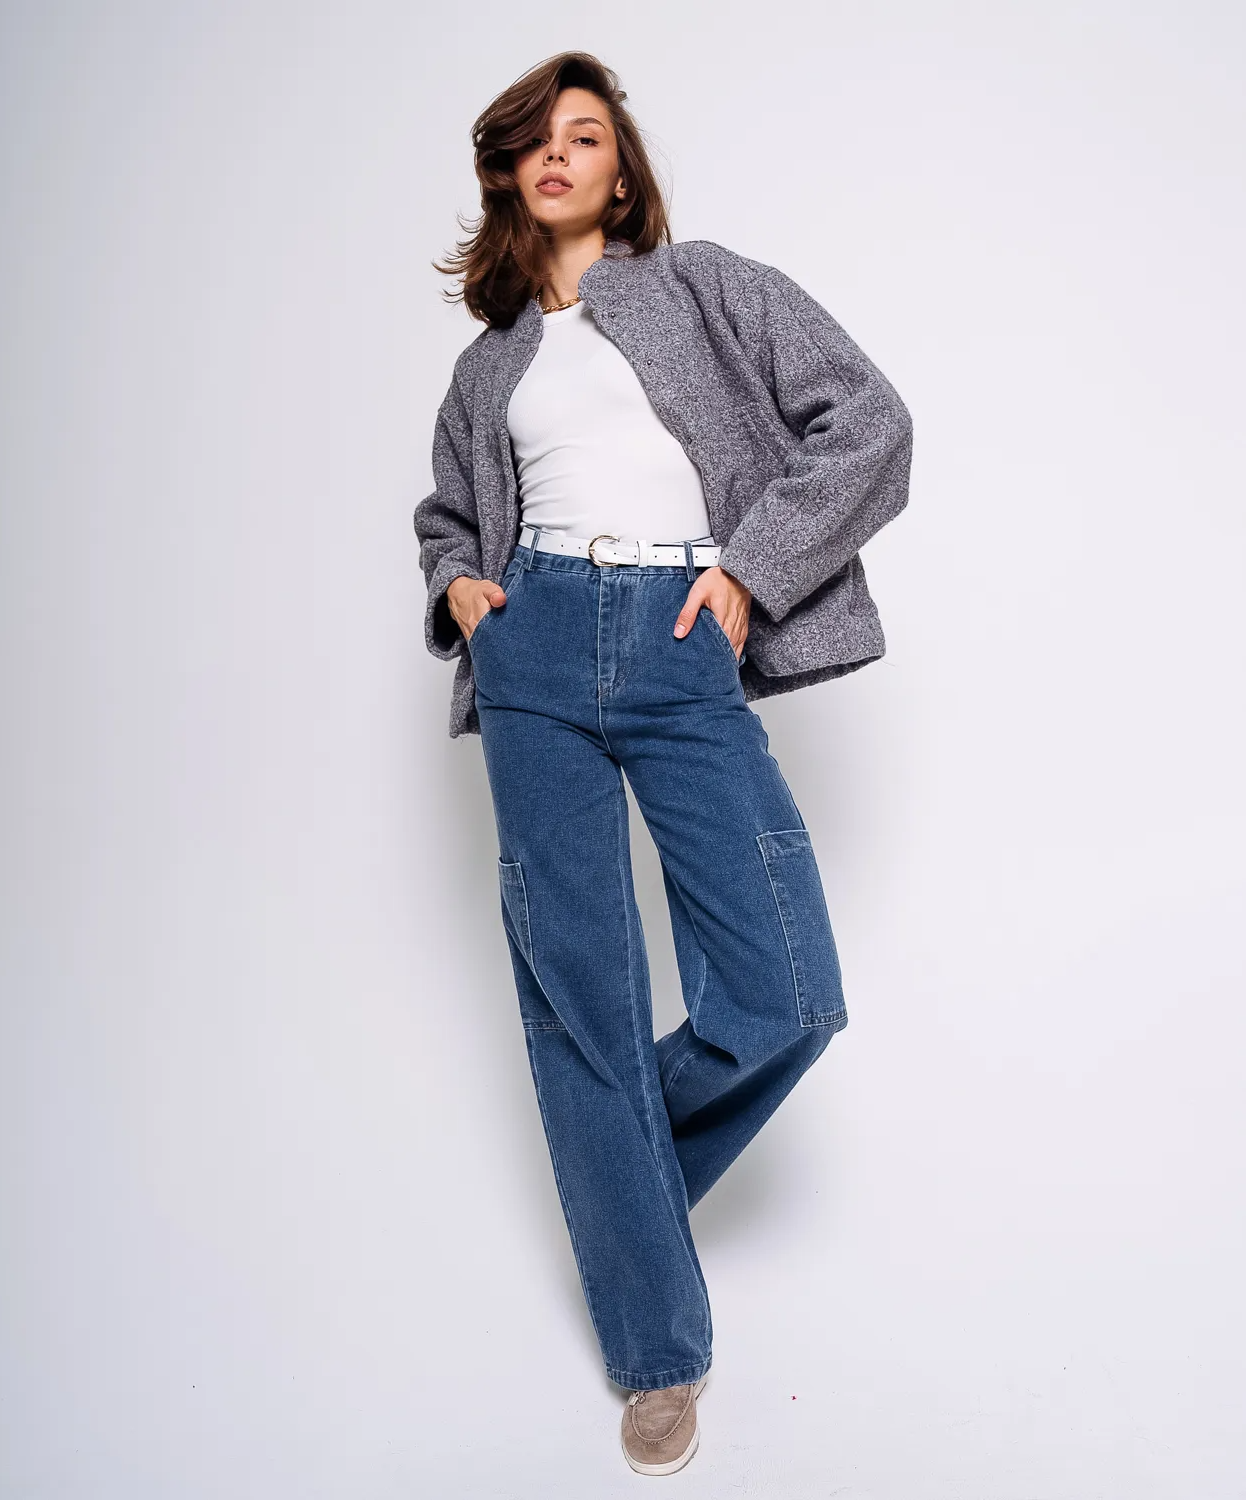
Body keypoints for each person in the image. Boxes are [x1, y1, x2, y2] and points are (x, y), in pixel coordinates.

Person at [412, 50, 913, 1476]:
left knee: (786, 991)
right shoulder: (490, 364)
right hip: (533, 646)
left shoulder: (707, 289)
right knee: (581, 991)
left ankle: (616, 1205)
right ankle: (656, 1354)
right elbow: (449, 515)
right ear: (508, 175)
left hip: (683, 628)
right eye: (534, 141)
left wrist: (752, 569)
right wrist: (460, 587)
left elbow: (871, 423)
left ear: (620, 168)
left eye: (585, 137)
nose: (559, 157)